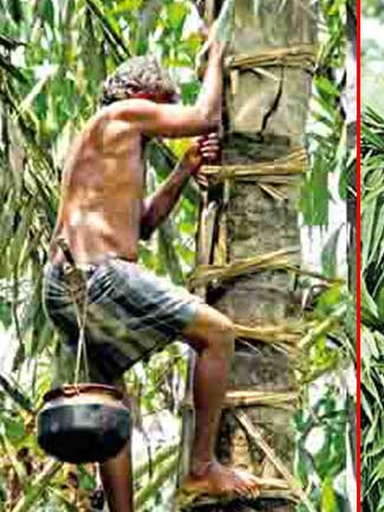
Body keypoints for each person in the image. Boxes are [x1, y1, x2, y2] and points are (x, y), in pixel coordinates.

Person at [42, 39, 260, 511]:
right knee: (217, 334)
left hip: (67, 286)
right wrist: (220, 52)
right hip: (96, 276)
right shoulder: (122, 116)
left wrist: (183, 170)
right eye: (166, 105)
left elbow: (140, 224)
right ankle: (202, 469)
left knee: (109, 404)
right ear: (142, 93)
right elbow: (204, 116)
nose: (167, 118)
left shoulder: (109, 143)